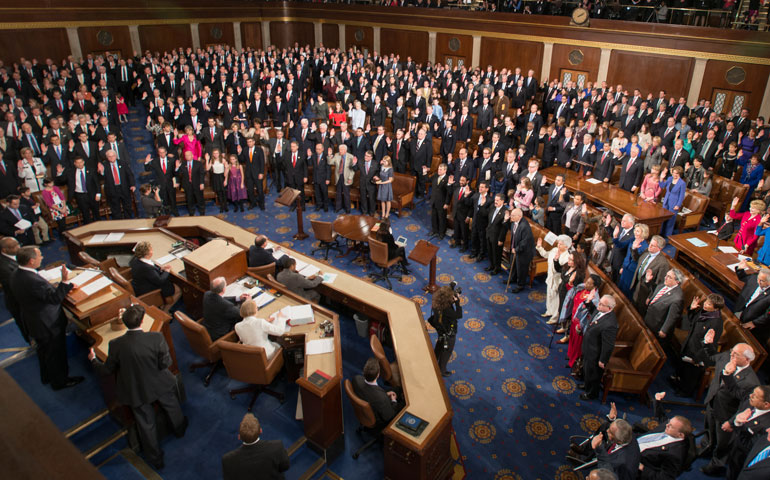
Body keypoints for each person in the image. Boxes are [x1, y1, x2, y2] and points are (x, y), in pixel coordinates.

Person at [88, 305, 187, 470]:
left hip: (136, 390)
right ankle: (180, 429)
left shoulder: (116, 344)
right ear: (142, 321)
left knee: (146, 424)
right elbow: (166, 363)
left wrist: (93, 360)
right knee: (172, 406)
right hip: (159, 383)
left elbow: (107, 370)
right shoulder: (156, 338)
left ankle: (155, 459)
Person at [10, 246, 83, 390]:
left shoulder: (16, 274)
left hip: (33, 320)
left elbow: (38, 295)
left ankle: (47, 376)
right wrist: (64, 281)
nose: (42, 258)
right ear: (31, 261)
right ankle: (60, 381)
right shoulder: (33, 280)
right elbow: (54, 299)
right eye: (39, 256)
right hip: (47, 323)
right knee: (56, 353)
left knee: (44, 351)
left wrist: (64, 287)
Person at [701, 339, 759, 476]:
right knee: (709, 430)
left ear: (746, 359)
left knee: (723, 445)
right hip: (712, 403)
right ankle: (706, 448)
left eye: (735, 354)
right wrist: (707, 343)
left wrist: (732, 422)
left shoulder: (751, 382)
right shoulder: (727, 357)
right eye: (732, 351)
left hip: (726, 415)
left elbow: (746, 407)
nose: (731, 355)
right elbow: (712, 356)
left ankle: (716, 466)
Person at [669, 294, 725, 398]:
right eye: (706, 302)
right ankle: (678, 382)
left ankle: (685, 391)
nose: (705, 304)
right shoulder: (704, 311)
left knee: (691, 373)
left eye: (708, 304)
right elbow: (692, 321)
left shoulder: (716, 323)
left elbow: (710, 343)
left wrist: (697, 358)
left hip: (699, 352)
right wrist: (691, 309)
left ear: (716, 308)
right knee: (683, 367)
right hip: (690, 343)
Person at [222, 413, 290, 480]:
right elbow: (285, 467)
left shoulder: (227, 460)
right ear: (260, 431)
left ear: (239, 437)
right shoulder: (277, 447)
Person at [726, 385, 770, 480]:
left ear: (766, 404)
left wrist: (738, 424)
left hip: (742, 459)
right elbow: (739, 412)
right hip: (733, 448)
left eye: (755, 396)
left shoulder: (767, 426)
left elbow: (750, 446)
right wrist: (734, 422)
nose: (750, 396)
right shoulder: (750, 402)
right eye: (752, 393)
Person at [579, 294, 618, 401]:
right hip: (588, 348)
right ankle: (586, 385)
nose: (598, 305)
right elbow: (594, 312)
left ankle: (591, 393)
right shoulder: (601, 310)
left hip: (595, 354)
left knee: (593, 374)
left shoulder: (611, 324)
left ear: (609, 308)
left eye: (601, 304)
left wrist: (603, 360)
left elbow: (608, 345)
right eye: (599, 302)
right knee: (587, 370)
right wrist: (588, 302)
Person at [561, 274, 602, 375]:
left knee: (578, 346)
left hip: (580, 325)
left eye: (589, 283)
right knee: (572, 340)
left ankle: (573, 363)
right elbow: (573, 292)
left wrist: (581, 325)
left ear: (594, 286)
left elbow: (591, 315)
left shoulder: (595, 299)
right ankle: (570, 355)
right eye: (586, 281)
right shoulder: (582, 287)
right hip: (574, 319)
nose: (586, 283)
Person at [129, 241, 182, 312]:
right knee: (178, 289)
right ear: (148, 253)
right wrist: (167, 271)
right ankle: (165, 311)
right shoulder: (147, 268)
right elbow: (160, 281)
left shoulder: (135, 260)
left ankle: (162, 305)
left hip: (140, 285)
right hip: (150, 290)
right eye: (151, 249)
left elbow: (150, 273)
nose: (152, 250)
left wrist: (160, 269)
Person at [351, 358, 404, 427]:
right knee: (404, 403)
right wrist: (394, 400)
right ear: (378, 375)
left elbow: (375, 395)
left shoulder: (357, 379)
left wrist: (385, 394)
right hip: (378, 416)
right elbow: (389, 416)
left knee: (397, 389)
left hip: (370, 398)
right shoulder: (382, 399)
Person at [641, 268, 685, 343]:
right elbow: (656, 291)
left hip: (656, 326)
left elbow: (672, 316)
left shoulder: (677, 298)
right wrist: (650, 297)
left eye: (669, 277)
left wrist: (664, 330)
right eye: (666, 275)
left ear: (677, 282)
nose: (665, 277)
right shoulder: (664, 284)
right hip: (648, 318)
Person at [537, 234, 571, 325]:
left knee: (557, 300)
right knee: (549, 296)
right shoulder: (554, 250)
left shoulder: (567, 257)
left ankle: (555, 317)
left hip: (558, 281)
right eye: (558, 243)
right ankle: (549, 311)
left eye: (561, 244)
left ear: (566, 246)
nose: (558, 246)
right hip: (550, 278)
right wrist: (540, 247)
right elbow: (545, 255)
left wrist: (557, 259)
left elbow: (560, 270)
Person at [733, 260, 770, 345]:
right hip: (739, 311)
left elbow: (768, 315)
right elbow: (743, 277)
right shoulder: (754, 278)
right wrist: (740, 269)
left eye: (762, 281)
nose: (758, 282)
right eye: (758, 279)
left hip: (751, 322)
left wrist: (754, 323)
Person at [428, 285, 462, 377]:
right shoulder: (447, 310)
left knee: (439, 345)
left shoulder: (437, 302)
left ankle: (434, 361)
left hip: (440, 329)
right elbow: (458, 315)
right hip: (448, 332)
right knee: (447, 351)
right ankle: (441, 371)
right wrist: (457, 303)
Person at [203, 277, 249, 341]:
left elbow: (221, 299)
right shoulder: (226, 306)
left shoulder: (207, 294)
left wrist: (238, 298)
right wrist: (246, 302)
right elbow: (240, 313)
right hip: (220, 334)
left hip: (209, 327)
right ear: (223, 289)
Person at [630, 235, 668, 312]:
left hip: (645, 293)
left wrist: (651, 297)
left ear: (659, 248)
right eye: (650, 243)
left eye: (653, 245)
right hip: (636, 285)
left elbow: (660, 283)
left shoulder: (663, 263)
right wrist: (634, 249)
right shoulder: (647, 250)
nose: (649, 246)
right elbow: (637, 259)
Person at [0, 237, 25, 343]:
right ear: (4, 250)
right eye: (14, 246)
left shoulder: (16, 254)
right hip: (18, 301)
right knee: (25, 323)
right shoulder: (3, 267)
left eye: (18, 244)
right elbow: (17, 286)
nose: (18, 247)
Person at [101, 149, 135, 219]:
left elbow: (129, 175)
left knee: (127, 207)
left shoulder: (122, 163)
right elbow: (100, 178)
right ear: (107, 157)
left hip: (124, 188)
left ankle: (129, 221)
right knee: (115, 209)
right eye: (109, 157)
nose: (111, 158)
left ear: (116, 156)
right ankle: (118, 223)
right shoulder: (104, 165)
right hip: (112, 190)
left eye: (113, 156)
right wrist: (101, 172)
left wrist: (132, 185)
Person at [507, 207, 534, 293]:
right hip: (515, 248)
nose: (511, 217)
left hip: (524, 252)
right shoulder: (514, 222)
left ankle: (520, 285)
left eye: (513, 216)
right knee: (513, 265)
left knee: (521, 269)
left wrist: (517, 249)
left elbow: (525, 242)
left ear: (519, 216)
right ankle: (513, 278)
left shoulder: (524, 226)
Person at [659, 166, 686, 237]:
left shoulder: (682, 183)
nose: (674, 175)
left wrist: (678, 205)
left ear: (679, 174)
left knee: (670, 220)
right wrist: (661, 178)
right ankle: (660, 232)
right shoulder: (670, 178)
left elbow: (681, 196)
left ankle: (667, 235)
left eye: (676, 173)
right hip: (666, 202)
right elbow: (662, 186)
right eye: (673, 173)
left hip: (674, 204)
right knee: (663, 218)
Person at [485, 193, 508, 275]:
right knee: (490, 252)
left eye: (497, 200)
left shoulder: (505, 212)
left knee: (496, 253)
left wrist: (501, 239)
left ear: (502, 201)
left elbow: (504, 228)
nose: (495, 202)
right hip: (489, 234)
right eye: (495, 200)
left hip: (497, 237)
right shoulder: (492, 207)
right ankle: (491, 265)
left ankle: (497, 268)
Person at [429, 163, 450, 240]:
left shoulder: (447, 179)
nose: (439, 170)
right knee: (433, 217)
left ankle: (441, 233)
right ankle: (435, 230)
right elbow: (427, 180)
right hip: (434, 201)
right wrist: (424, 173)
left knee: (441, 219)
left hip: (442, 203)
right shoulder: (435, 176)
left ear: (445, 170)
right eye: (438, 169)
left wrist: (447, 203)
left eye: (440, 169)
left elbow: (448, 193)